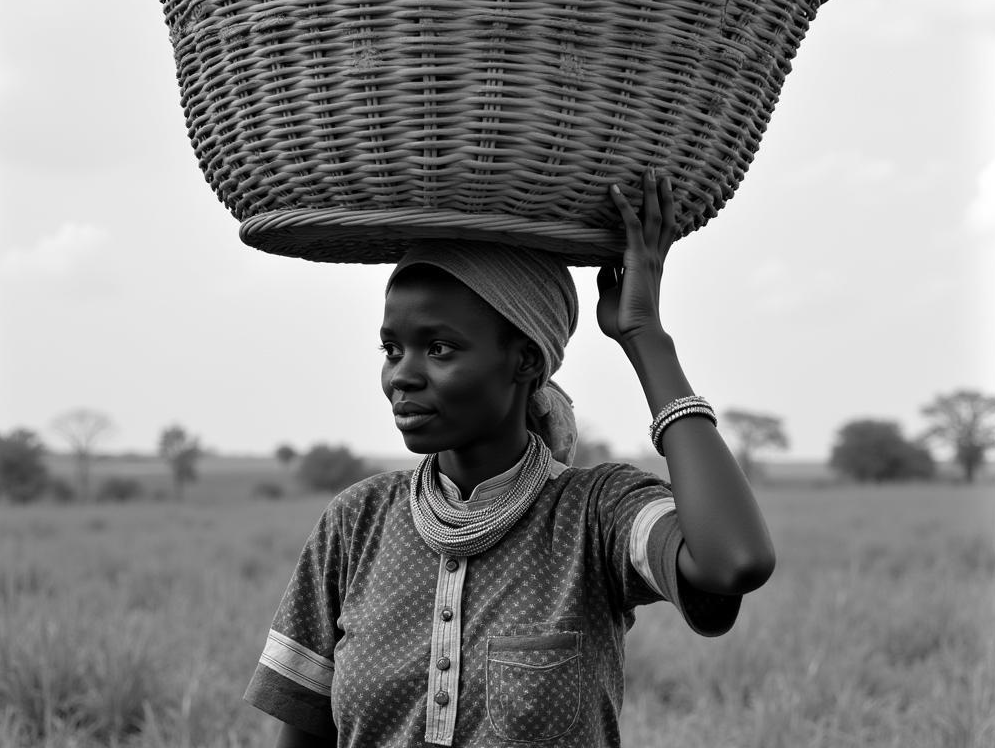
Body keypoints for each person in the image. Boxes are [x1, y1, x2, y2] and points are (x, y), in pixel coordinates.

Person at [244, 171, 776, 747]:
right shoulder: (357, 521)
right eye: (392, 349)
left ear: (525, 361)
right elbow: (301, 734)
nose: (403, 375)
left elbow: (733, 562)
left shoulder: (594, 515)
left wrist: (646, 336)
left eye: (439, 348)